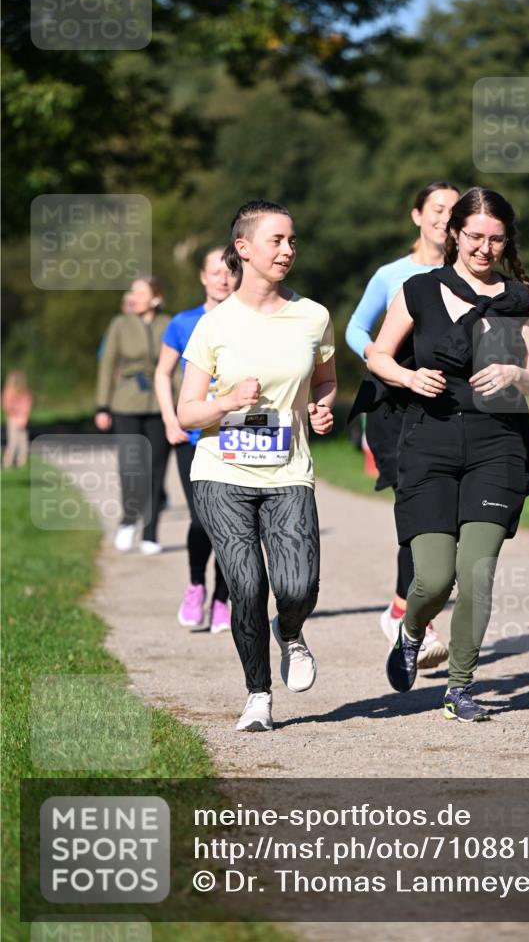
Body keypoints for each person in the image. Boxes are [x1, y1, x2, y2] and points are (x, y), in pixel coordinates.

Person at [368, 187, 529, 721]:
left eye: (496, 239)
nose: (484, 248)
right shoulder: (418, 290)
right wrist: (409, 374)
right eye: (474, 236)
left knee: (475, 571)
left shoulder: (517, 298)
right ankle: (409, 632)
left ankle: (459, 687)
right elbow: (378, 354)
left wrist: (517, 373)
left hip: (498, 446)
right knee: (432, 577)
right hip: (428, 443)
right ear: (453, 234)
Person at [177, 200, 336, 732]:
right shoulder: (213, 324)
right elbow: (187, 411)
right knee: (244, 584)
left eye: (292, 240)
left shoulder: (313, 315)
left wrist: (321, 406)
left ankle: (289, 631)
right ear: (243, 248)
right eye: (277, 240)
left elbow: (327, 378)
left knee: (298, 587)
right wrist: (226, 402)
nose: (288, 250)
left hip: (288, 469)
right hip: (221, 471)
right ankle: (258, 696)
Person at [346, 181, 460, 670]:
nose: (444, 218)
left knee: (448, 510)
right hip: (393, 405)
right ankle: (419, 620)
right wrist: (380, 359)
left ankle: (398, 609)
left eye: (454, 211)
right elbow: (355, 328)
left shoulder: (466, 273)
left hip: (443, 403)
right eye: (437, 209)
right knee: (420, 505)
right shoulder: (392, 274)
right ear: (417, 215)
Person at [155, 249, 239, 632]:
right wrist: (171, 419)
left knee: (230, 522)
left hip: (236, 434)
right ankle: (195, 587)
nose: (223, 279)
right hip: (190, 435)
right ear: (203, 278)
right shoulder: (183, 322)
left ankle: (222, 600)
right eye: (215, 273)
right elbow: (163, 374)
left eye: (229, 272)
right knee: (202, 518)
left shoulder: (247, 321)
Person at [95, 276, 172, 554]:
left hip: (160, 405)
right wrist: (102, 406)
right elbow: (107, 365)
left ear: (155, 298)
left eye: (141, 293)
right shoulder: (120, 324)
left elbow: (176, 367)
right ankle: (128, 520)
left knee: (156, 469)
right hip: (125, 402)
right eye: (133, 293)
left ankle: (150, 534)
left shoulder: (168, 324)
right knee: (131, 467)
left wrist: (178, 407)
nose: (134, 297)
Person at [2, 370, 33, 469]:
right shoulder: (9, 391)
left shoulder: (25, 392)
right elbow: (7, 406)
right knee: (13, 442)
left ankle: (21, 463)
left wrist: (23, 417)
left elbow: (27, 405)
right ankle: (7, 463)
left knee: (23, 443)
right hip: (13, 419)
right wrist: (17, 413)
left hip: (23, 419)